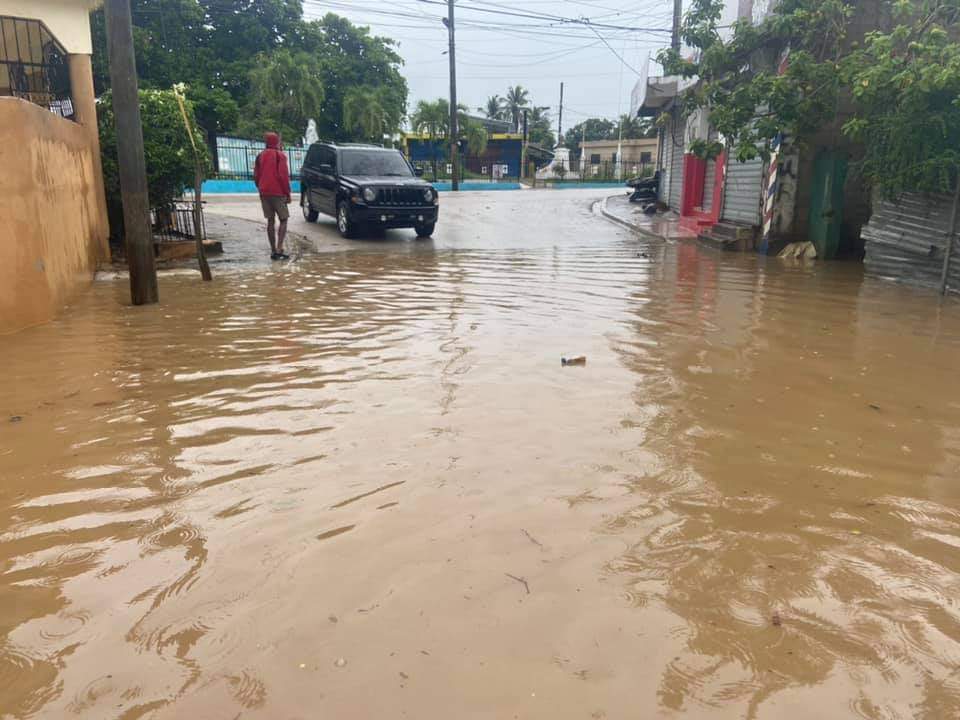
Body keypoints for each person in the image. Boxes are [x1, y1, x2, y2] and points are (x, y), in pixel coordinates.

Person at [253, 132, 292, 260]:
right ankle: (280, 247)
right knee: (284, 219)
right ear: (276, 142)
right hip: (278, 193)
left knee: (270, 221)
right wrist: (287, 193)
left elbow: (256, 177)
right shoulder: (280, 156)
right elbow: (283, 177)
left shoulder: (260, 156)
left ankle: (273, 250)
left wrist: (261, 188)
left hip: (264, 193)